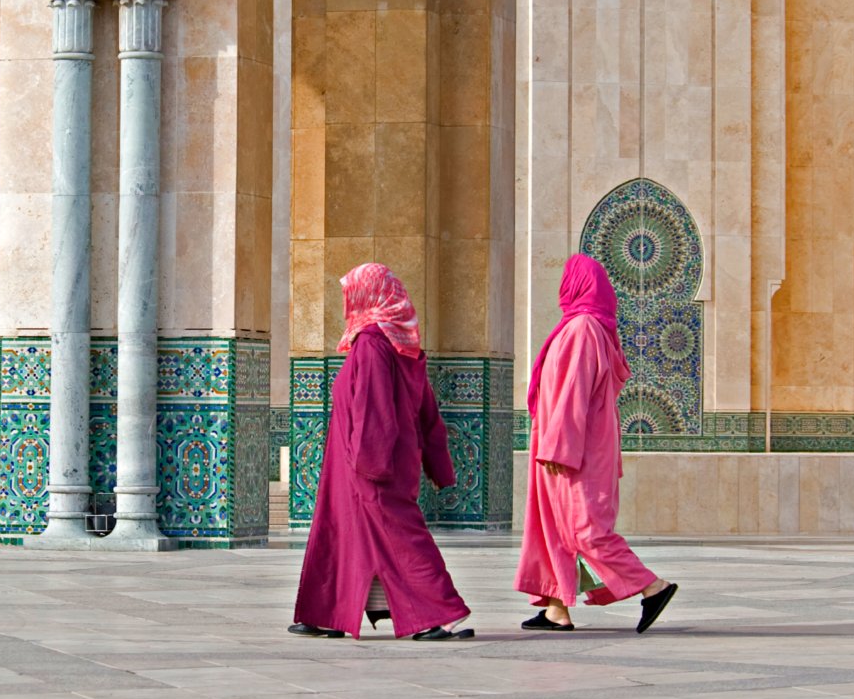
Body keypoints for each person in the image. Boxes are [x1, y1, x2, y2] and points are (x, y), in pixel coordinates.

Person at [290, 263, 474, 642]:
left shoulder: (373, 344)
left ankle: (441, 614)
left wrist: (368, 466)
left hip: (369, 461)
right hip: (376, 459)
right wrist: (438, 465)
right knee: (344, 533)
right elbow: (427, 412)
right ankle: (328, 612)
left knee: (399, 534)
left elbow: (374, 410)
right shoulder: (402, 342)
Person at [518, 253, 678, 633]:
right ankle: (556, 608)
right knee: (554, 528)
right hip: (564, 444)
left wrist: (559, 446)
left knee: (585, 529)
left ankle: (652, 587)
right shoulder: (582, 327)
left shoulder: (583, 329)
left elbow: (573, 392)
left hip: (572, 448)